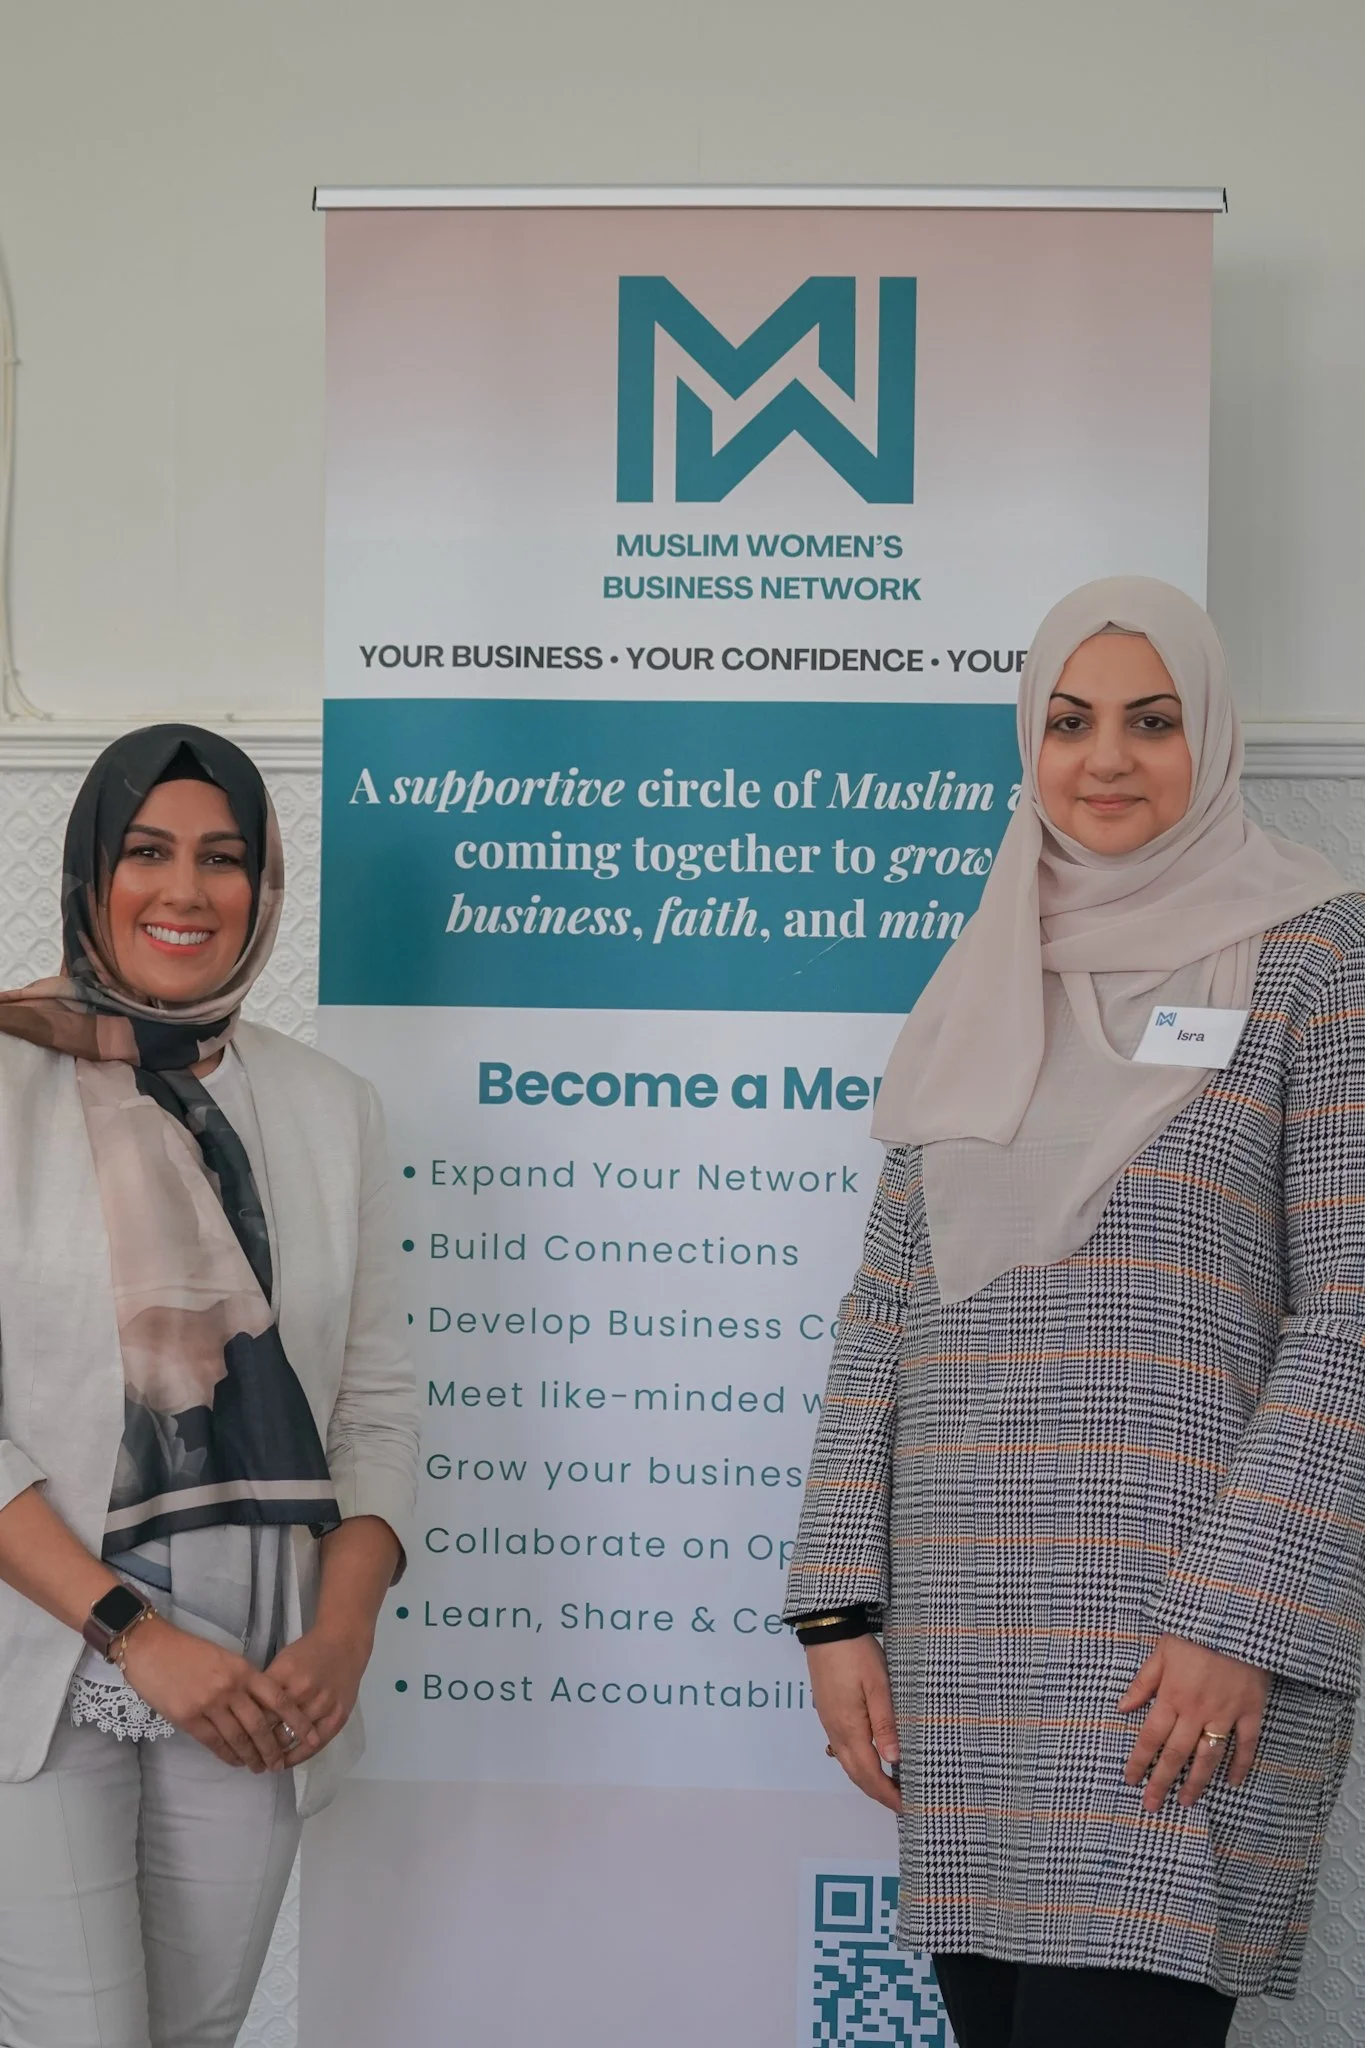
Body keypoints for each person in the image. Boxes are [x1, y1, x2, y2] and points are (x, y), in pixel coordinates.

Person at [784, 578, 1365, 2048]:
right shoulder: (988, 974)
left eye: (1152, 722)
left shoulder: (1313, 958)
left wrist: (1238, 1617)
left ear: (1209, 738)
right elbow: (883, 1319)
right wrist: (838, 1614)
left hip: (1181, 1652)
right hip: (967, 1644)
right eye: (1070, 722)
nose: (1107, 759)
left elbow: (1351, 1318)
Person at [0, 724, 420, 2048]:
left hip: (263, 1658)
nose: (185, 891)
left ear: (264, 883)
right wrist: (138, 1638)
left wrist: (343, 1632)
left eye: (223, 858)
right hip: (40, 1648)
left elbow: (376, 1403)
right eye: (148, 851)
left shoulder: (332, 1108)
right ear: (92, 870)